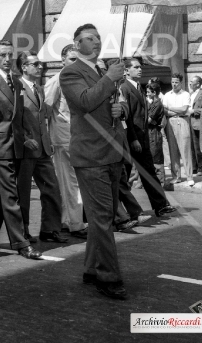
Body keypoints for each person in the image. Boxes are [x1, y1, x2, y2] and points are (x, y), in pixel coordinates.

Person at [60, 23, 128, 300]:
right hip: (90, 157)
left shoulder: (101, 71)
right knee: (101, 219)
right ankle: (108, 277)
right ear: (77, 45)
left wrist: (119, 108)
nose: (96, 42)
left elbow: (111, 104)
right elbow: (85, 101)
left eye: (98, 37)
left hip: (110, 152)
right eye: (88, 39)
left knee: (104, 217)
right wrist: (110, 78)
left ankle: (91, 268)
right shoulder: (70, 72)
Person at [0, 40, 42, 259]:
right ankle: (21, 243)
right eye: (2, 55)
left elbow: (19, 116)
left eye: (9, 55)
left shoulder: (16, 82)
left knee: (0, 193)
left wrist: (25, 138)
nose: (6, 59)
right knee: (10, 193)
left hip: (16, 146)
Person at [16, 51, 67, 244]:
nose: (40, 67)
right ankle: (23, 231)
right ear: (24, 67)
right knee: (23, 193)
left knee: (52, 187)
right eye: (35, 64)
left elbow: (42, 116)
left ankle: (50, 229)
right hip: (27, 148)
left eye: (40, 64)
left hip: (43, 147)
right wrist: (24, 138)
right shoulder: (17, 88)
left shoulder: (39, 88)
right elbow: (13, 118)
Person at [120, 58, 176, 217]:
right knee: (123, 176)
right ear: (126, 70)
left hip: (142, 139)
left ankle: (160, 205)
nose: (140, 70)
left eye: (140, 67)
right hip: (132, 140)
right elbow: (127, 117)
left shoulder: (139, 87)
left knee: (149, 172)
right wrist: (132, 138)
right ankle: (119, 212)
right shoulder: (124, 88)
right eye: (136, 67)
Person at [44, 44, 88, 238]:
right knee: (71, 182)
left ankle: (65, 220)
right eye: (71, 59)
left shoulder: (78, 80)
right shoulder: (57, 80)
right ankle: (75, 223)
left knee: (71, 181)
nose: (75, 63)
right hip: (63, 138)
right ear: (62, 60)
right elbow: (45, 108)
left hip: (78, 137)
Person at [163, 73, 193, 185]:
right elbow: (164, 110)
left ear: (181, 83)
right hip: (171, 121)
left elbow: (184, 109)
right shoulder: (167, 95)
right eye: (172, 82)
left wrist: (170, 108)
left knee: (185, 149)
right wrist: (175, 110)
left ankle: (189, 177)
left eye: (176, 82)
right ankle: (176, 176)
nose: (174, 84)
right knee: (173, 150)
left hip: (183, 121)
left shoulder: (185, 94)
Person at [146, 82, 165, 186]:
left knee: (156, 157)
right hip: (150, 131)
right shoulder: (152, 102)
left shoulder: (157, 104)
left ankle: (160, 182)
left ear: (154, 92)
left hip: (154, 133)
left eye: (149, 92)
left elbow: (149, 120)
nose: (147, 94)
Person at [188, 76, 202, 176]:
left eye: (192, 82)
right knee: (191, 146)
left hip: (197, 122)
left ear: (198, 84)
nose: (190, 83)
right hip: (189, 122)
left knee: (198, 146)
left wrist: (194, 111)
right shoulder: (191, 94)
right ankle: (194, 167)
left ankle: (201, 168)